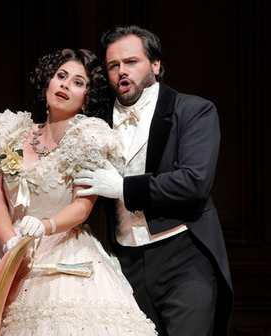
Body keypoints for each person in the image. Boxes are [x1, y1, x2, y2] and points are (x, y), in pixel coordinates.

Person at [0, 48, 157, 336]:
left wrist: (44, 226)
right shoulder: (9, 133)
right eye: (61, 76)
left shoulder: (87, 139)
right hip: (6, 249)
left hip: (61, 248)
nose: (66, 85)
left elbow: (82, 206)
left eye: (78, 82)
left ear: (86, 99)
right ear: (48, 83)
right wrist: (10, 244)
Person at [75, 25, 234, 335]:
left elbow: (194, 181)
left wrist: (123, 188)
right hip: (125, 261)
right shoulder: (95, 121)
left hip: (183, 257)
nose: (122, 71)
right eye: (113, 65)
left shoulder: (192, 110)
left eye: (131, 62)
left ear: (156, 65)